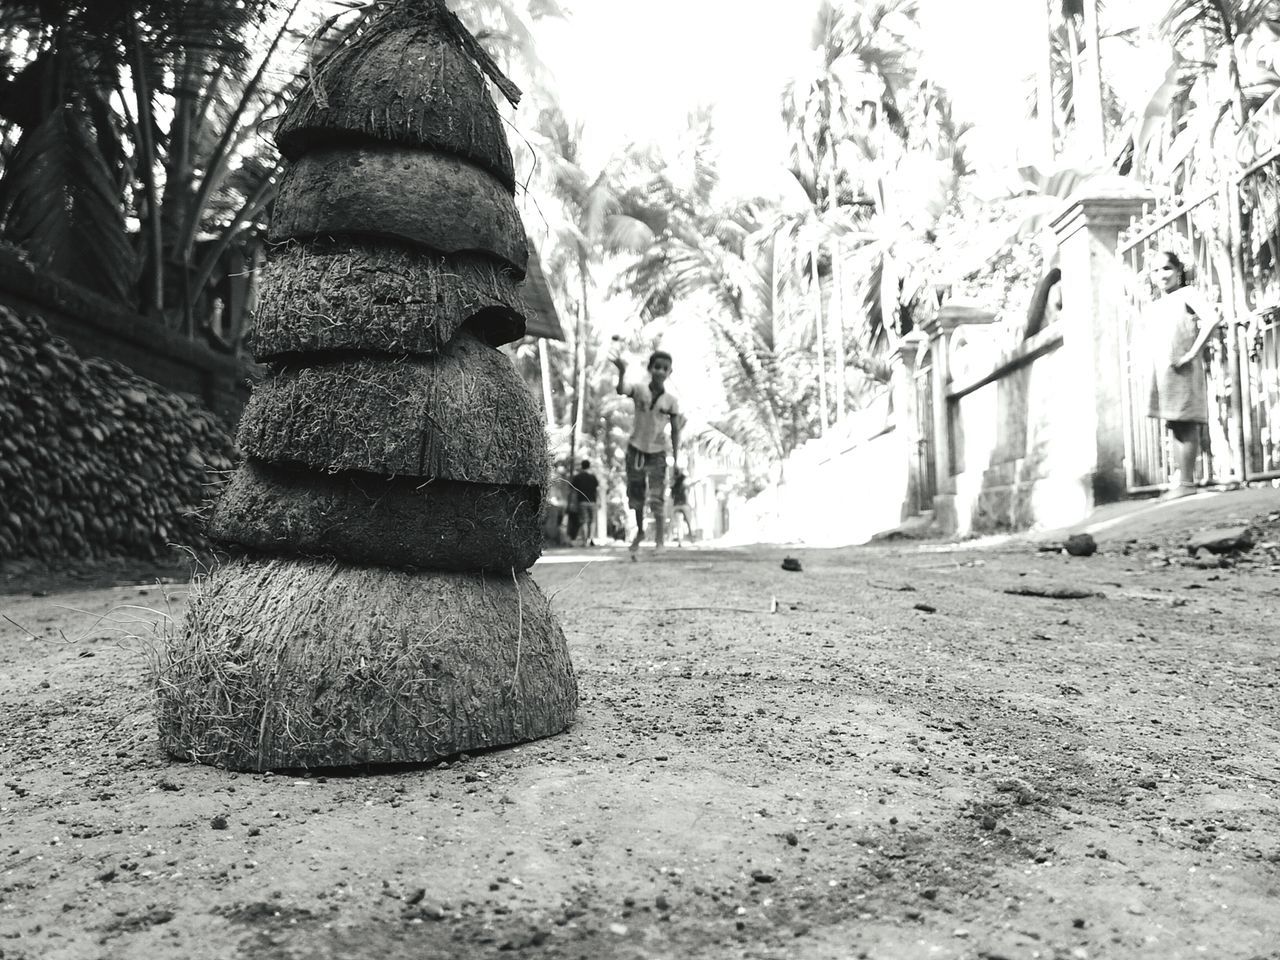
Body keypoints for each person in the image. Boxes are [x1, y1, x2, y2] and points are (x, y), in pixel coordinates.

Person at [1146, 251, 1219, 500]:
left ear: (1178, 270)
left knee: (1185, 422)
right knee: (1174, 423)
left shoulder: (1188, 294)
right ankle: (1183, 481)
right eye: (1156, 270)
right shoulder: (1157, 303)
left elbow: (1212, 318)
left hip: (1183, 368)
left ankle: (1187, 483)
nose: (1161, 275)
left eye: (1166, 268)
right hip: (1165, 372)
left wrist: (1191, 354)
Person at [613, 349, 681, 559]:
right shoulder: (640, 390)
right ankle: (640, 531)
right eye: (657, 367)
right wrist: (622, 371)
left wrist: (676, 460)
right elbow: (621, 389)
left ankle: (660, 540)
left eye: (665, 368)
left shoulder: (671, 401)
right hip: (636, 450)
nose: (660, 371)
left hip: (658, 452)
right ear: (650, 368)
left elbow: (676, 431)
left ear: (670, 372)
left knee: (657, 497)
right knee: (636, 496)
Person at [567, 459, 599, 547]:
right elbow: (597, 490)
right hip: (592, 501)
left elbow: (571, 489)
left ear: (582, 466)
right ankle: (591, 539)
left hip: (582, 502)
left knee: (584, 521)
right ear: (589, 466)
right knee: (592, 521)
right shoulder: (593, 477)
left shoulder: (578, 477)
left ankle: (585, 541)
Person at [670, 467, 694, 546]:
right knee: (688, 522)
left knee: (678, 523)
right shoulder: (684, 485)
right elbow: (686, 494)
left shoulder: (674, 487)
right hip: (683, 504)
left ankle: (679, 540)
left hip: (676, 505)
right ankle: (691, 537)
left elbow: (672, 497)